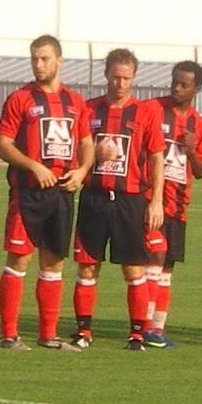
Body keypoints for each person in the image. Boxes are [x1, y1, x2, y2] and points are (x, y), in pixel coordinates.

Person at [0, 35, 94, 351]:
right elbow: (2, 144)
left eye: (45, 59)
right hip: (27, 194)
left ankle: (48, 335)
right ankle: (9, 335)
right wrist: (33, 166)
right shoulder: (20, 98)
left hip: (62, 194)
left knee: (53, 265)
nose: (39, 64)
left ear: (60, 61)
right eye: (35, 59)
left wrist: (81, 171)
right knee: (18, 261)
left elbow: (86, 143)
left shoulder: (76, 102)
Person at [71, 48, 165, 351]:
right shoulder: (88, 110)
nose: (119, 84)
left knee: (134, 268)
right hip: (94, 199)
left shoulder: (145, 112)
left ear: (134, 77)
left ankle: (137, 333)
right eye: (115, 77)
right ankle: (84, 332)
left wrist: (157, 200)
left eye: (125, 78)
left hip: (130, 200)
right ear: (106, 75)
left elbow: (156, 157)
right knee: (87, 266)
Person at [142, 61, 202, 348]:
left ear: (196, 88)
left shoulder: (199, 124)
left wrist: (192, 149)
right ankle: (144, 326)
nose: (176, 88)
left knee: (167, 266)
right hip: (150, 200)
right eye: (174, 82)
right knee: (155, 256)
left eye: (183, 85)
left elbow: (201, 170)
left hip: (179, 205)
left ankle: (157, 328)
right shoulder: (152, 110)